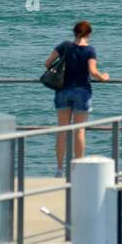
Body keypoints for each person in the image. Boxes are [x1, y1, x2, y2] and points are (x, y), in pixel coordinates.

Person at [45, 21, 109, 175]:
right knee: (79, 130)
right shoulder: (89, 50)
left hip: (63, 91)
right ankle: (78, 169)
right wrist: (104, 77)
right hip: (82, 91)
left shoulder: (64, 46)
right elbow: (93, 72)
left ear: (74, 32)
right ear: (89, 34)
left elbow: (47, 63)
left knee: (62, 130)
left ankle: (59, 169)